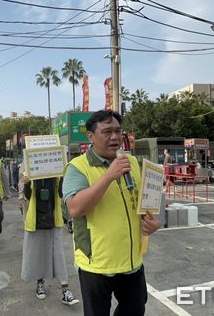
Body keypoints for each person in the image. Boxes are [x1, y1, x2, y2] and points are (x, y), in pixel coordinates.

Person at [63, 110, 161, 316]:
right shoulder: (78, 167)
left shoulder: (131, 162)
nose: (115, 137)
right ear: (91, 137)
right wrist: (108, 176)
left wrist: (152, 221)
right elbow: (75, 208)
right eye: (107, 132)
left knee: (135, 309)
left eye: (118, 131)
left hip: (132, 261)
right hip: (97, 264)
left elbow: (141, 202)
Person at [20, 173, 80, 305]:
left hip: (54, 218)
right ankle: (40, 282)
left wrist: (63, 176)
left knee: (58, 255)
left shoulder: (57, 170)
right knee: (39, 253)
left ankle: (65, 290)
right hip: (36, 220)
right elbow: (28, 196)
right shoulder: (30, 171)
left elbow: (60, 193)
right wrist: (27, 183)